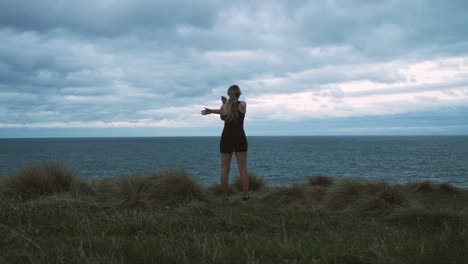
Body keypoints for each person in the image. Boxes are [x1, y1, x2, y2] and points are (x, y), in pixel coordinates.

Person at [201, 85, 249, 200]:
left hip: (226, 138)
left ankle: (224, 196)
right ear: (239, 93)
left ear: (228, 94)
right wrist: (218, 108)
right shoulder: (243, 104)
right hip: (240, 137)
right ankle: (245, 195)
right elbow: (233, 109)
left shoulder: (224, 106)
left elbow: (225, 111)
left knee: (224, 168)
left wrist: (218, 107)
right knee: (242, 168)